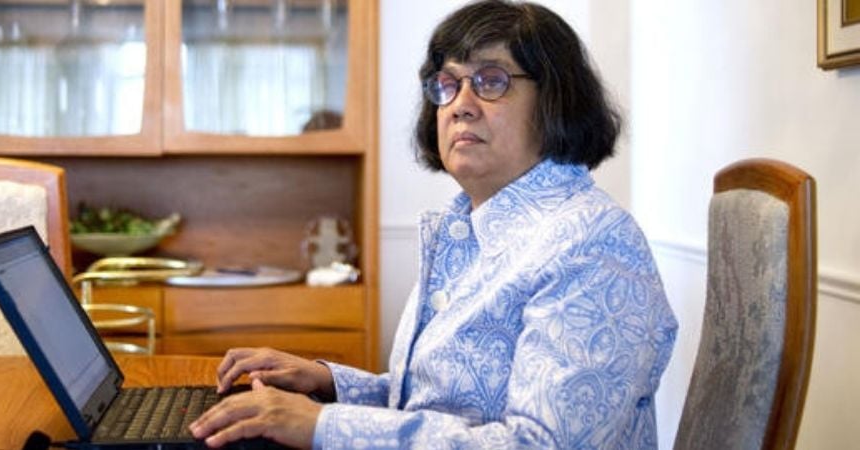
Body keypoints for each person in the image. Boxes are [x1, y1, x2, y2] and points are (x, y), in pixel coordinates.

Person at [189, 1, 678, 448]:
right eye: (448, 85)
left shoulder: (592, 244)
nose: (460, 104)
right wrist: (329, 383)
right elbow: (439, 403)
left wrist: (321, 424)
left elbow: (538, 445)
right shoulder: (464, 225)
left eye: (490, 80)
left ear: (557, 100)